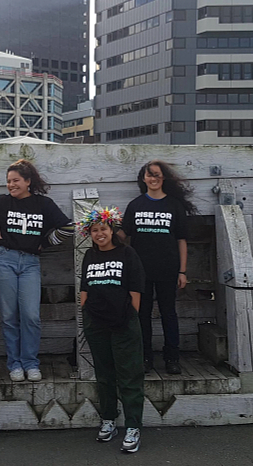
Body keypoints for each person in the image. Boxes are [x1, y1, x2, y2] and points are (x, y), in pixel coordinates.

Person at [0, 159, 73, 382]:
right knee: (9, 315)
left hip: (30, 263)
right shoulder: (1, 202)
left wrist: (45, 242)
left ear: (28, 181)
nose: (11, 185)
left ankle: (31, 363)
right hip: (2, 259)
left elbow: (67, 228)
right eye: (8, 181)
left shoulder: (43, 204)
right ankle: (14, 364)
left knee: (31, 315)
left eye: (15, 180)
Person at [78, 206, 145, 453]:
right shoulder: (88, 256)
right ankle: (108, 419)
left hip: (124, 323)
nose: (99, 234)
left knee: (129, 374)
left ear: (112, 229)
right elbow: (85, 286)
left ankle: (133, 426)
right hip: (96, 323)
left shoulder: (127, 253)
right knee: (104, 375)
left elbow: (136, 288)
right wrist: (86, 311)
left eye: (103, 229)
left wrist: (129, 316)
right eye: (94, 230)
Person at [120, 160, 195, 375]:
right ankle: (145, 357)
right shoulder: (135, 205)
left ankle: (172, 357)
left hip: (168, 269)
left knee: (168, 313)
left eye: (157, 175)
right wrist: (99, 228)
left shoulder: (174, 205)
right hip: (140, 270)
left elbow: (181, 240)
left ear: (164, 178)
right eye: (149, 175)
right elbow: (123, 235)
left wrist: (182, 271)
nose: (153, 179)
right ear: (143, 179)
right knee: (141, 314)